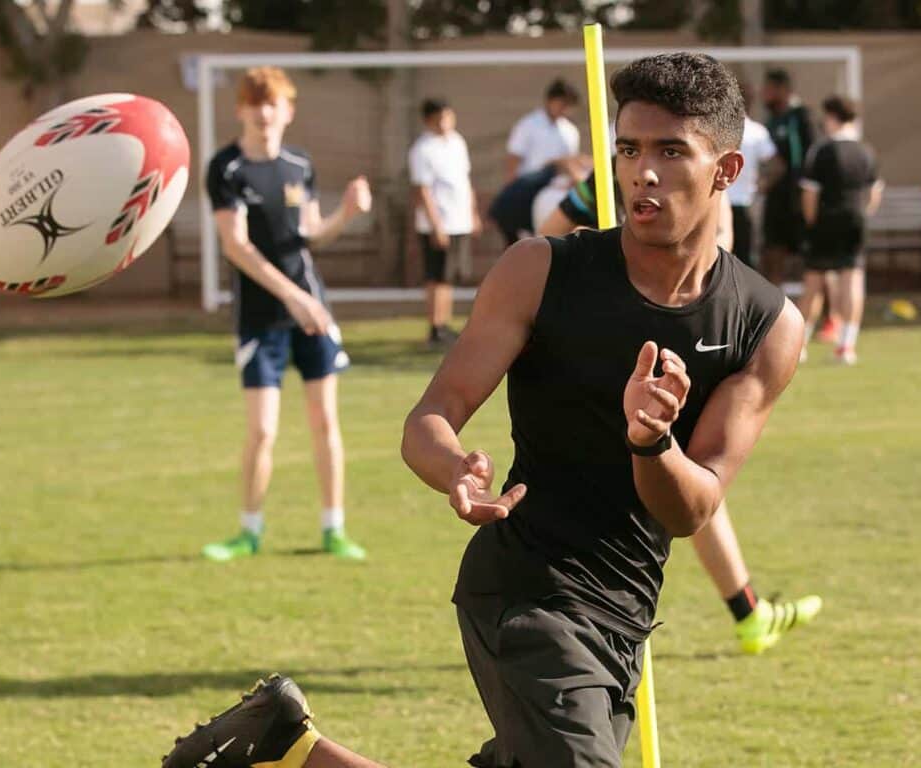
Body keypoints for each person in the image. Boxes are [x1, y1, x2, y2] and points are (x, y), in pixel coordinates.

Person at [163, 53, 809, 768]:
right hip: (525, 592)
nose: (640, 172)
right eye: (627, 149)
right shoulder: (540, 272)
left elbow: (690, 512)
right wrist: (453, 473)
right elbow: (428, 419)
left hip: (623, 611)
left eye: (669, 151)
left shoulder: (767, 325)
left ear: (726, 171)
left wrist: (652, 440)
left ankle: (286, 749)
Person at [539, 152, 821, 658]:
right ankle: (747, 611)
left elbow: (720, 257)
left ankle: (748, 609)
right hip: (639, 355)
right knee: (679, 479)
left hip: (688, 346)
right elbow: (551, 232)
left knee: (692, 482)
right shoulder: (612, 177)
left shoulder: (699, 181)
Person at [200, 66, 372, 563]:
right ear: (241, 110)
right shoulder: (226, 169)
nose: (263, 111)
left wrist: (346, 213)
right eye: (255, 102)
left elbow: (312, 234)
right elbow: (236, 246)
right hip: (262, 318)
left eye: (272, 102)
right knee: (263, 430)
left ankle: (334, 529)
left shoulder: (300, 165)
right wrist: (290, 297)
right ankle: (248, 531)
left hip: (313, 312)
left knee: (325, 423)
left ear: (288, 111)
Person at [799, 95, 884, 365]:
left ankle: (799, 345)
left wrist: (811, 223)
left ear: (832, 117)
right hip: (855, 220)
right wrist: (863, 214)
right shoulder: (866, 151)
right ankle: (846, 345)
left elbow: (810, 194)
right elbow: (875, 191)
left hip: (826, 220)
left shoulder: (822, 151)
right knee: (853, 278)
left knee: (813, 282)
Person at [761, 69, 840, 343]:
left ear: (782, 89)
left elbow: (811, 159)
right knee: (773, 255)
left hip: (801, 202)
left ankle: (831, 319)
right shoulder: (771, 121)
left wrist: (808, 197)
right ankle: (771, 321)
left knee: (817, 264)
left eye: (769, 89)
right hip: (777, 202)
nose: (765, 94)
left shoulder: (801, 117)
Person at [408, 98, 480, 346]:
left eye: (449, 117)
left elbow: (465, 179)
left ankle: (444, 323)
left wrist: (473, 212)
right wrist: (436, 225)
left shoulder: (457, 142)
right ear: (428, 120)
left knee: (449, 276)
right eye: (440, 118)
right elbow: (423, 190)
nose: (446, 123)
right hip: (438, 222)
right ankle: (434, 326)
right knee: (436, 275)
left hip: (459, 219)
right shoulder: (422, 149)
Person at [487, 80, 583, 244]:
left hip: (554, 194)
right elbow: (513, 160)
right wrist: (511, 195)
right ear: (550, 100)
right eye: (562, 103)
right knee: (521, 244)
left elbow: (570, 164)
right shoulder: (528, 125)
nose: (564, 109)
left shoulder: (570, 131)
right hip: (526, 191)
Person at [725, 107, 777, 268]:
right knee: (745, 255)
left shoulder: (721, 130)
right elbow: (776, 164)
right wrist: (762, 184)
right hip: (745, 201)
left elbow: (776, 164)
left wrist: (763, 184)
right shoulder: (756, 132)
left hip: (729, 200)